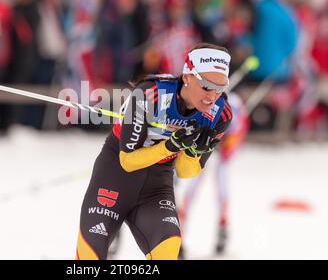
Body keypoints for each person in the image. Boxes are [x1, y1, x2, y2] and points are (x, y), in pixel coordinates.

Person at [76, 42, 233, 260]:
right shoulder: (149, 95)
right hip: (115, 177)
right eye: (206, 86)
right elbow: (127, 161)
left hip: (156, 187)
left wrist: (192, 151)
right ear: (187, 77)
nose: (213, 96)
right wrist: (171, 146)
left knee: (168, 251)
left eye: (220, 88)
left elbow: (185, 171)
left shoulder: (219, 115)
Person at [177, 92, 249, 258]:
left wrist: (225, 147)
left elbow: (236, 134)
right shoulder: (202, 105)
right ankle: (179, 231)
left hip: (230, 135)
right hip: (206, 131)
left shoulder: (235, 114)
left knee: (221, 174)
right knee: (193, 179)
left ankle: (223, 226)